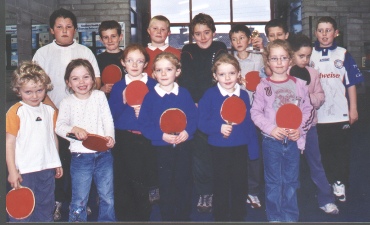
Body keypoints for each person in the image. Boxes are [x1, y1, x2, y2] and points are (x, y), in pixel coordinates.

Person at [32, 8, 100, 220]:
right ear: (52, 30)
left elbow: (96, 81)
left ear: (75, 30)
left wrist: (79, 106)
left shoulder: (85, 52)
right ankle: (58, 202)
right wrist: (58, 112)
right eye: (59, 27)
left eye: (69, 27)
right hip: (52, 117)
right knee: (58, 162)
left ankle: (83, 201)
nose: (64, 31)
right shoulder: (42, 54)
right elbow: (37, 86)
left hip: (82, 118)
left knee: (82, 161)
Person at [251, 39, 314, 222]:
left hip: (293, 141)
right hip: (271, 142)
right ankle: (275, 217)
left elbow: (308, 111)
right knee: (273, 183)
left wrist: (300, 130)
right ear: (268, 62)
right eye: (274, 58)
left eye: (283, 58)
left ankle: (290, 217)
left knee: (291, 182)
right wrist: (271, 129)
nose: (279, 62)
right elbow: (255, 113)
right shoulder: (263, 86)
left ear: (290, 61)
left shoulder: (300, 84)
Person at [198, 53, 259, 221]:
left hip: (240, 147)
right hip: (218, 148)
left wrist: (253, 150)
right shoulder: (209, 95)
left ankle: (239, 217)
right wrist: (218, 127)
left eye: (231, 73)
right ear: (214, 76)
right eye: (222, 74)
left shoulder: (244, 95)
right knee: (221, 185)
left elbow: (248, 123)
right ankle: (221, 218)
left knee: (240, 185)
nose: (227, 78)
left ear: (239, 74)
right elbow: (201, 122)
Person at [310, 16, 364, 202]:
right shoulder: (309, 55)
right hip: (317, 115)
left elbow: (351, 85)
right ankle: (324, 184)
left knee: (340, 151)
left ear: (336, 33)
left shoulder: (343, 54)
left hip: (340, 114)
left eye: (328, 30)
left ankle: (339, 183)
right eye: (320, 30)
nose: (324, 34)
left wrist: (353, 109)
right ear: (315, 33)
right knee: (321, 152)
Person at [177, 13, 228, 212]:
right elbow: (187, 79)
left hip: (217, 107)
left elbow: (221, 76)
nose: (203, 37)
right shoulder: (188, 50)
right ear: (192, 35)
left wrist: (211, 103)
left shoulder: (220, 49)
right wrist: (196, 103)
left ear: (213, 33)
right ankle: (205, 192)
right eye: (197, 33)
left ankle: (220, 190)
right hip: (196, 108)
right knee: (200, 154)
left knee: (219, 151)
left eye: (206, 32)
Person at [138, 52, 197, 221]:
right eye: (159, 70)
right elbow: (144, 123)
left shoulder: (184, 93)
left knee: (184, 183)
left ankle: (183, 218)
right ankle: (168, 218)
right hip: (161, 147)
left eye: (169, 69)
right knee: (166, 186)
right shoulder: (150, 96)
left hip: (183, 146)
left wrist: (188, 132)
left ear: (177, 72)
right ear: (153, 74)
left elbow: (193, 117)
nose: (164, 74)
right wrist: (161, 135)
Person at [55, 59, 115, 222]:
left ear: (93, 79)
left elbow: (107, 120)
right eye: (75, 78)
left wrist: (110, 137)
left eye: (86, 77)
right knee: (79, 199)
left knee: (107, 197)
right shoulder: (66, 102)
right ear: (68, 83)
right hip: (81, 158)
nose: (82, 82)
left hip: (104, 155)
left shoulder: (100, 96)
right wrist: (73, 130)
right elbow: (59, 127)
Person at [6, 61, 63, 222]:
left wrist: (56, 162)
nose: (35, 95)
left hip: (47, 169)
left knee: (45, 209)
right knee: (22, 214)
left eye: (40, 90)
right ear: (18, 91)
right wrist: (12, 171)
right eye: (28, 92)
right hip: (24, 171)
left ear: (46, 87)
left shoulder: (50, 111)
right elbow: (9, 143)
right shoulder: (16, 111)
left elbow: (53, 138)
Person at [289, 33, 339, 214]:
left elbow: (320, 97)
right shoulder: (283, 73)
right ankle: (287, 201)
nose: (305, 59)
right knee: (289, 165)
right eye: (301, 56)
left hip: (309, 127)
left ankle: (326, 199)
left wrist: (307, 97)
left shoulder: (313, 73)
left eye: (308, 56)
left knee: (316, 163)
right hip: (289, 128)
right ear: (291, 54)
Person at [108, 43, 158, 221]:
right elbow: (111, 116)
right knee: (123, 182)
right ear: (123, 63)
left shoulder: (154, 85)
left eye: (139, 61)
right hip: (124, 138)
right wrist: (122, 100)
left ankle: (142, 218)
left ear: (146, 64)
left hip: (144, 139)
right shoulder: (118, 86)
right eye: (130, 60)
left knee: (141, 183)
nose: (134, 65)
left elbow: (157, 115)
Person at [229, 24, 264, 209]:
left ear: (249, 39)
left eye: (242, 38)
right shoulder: (229, 60)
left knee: (254, 152)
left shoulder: (259, 59)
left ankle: (253, 190)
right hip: (236, 114)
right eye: (234, 39)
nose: (238, 42)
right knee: (238, 153)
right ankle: (239, 189)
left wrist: (263, 49)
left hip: (256, 112)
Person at [97, 20, 125, 96]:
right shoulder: (97, 60)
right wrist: (101, 89)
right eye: (106, 37)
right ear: (101, 40)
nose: (110, 40)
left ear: (120, 37)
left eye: (113, 36)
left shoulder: (127, 57)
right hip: (105, 102)